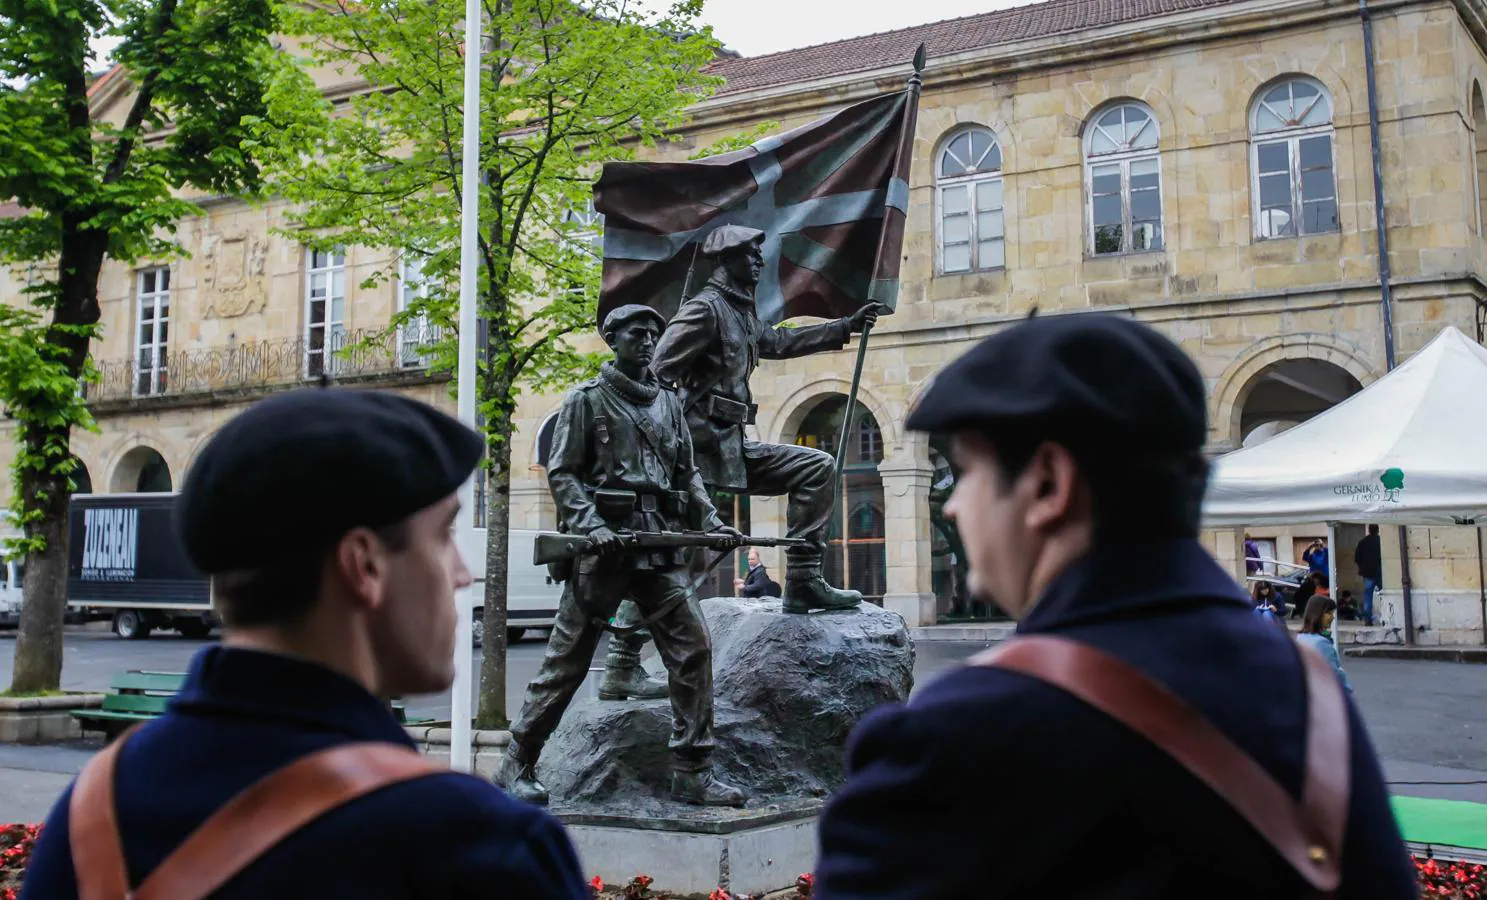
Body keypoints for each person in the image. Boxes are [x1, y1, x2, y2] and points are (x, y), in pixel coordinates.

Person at [813, 313, 1414, 899]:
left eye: (967, 473)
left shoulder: (958, 739)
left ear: (1049, 483)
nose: (951, 506)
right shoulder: (1309, 693)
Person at [20, 388, 590, 899]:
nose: (463, 573)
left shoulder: (93, 814)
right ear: (363, 565)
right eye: (443, 535)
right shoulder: (476, 846)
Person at [495, 304, 747, 808]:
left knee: (693, 648)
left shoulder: (669, 404)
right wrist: (592, 525)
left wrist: (712, 521)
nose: (649, 339)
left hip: (658, 544)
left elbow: (686, 474)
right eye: (637, 332)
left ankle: (692, 770)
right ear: (613, 339)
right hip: (605, 549)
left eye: (654, 332)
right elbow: (563, 473)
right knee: (566, 662)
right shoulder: (586, 401)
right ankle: (516, 761)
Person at [1299, 594, 1353, 695]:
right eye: (1328, 613)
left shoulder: (1299, 638)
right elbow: (1334, 674)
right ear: (1317, 614)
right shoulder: (1321, 643)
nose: (1332, 617)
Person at [1355, 524, 1382, 626]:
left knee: (1368, 597)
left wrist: (1363, 566)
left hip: (1367, 573)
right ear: (1378, 530)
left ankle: (1368, 620)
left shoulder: (1363, 542)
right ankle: (1387, 617)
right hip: (1380, 572)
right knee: (1384, 595)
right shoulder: (1381, 541)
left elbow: (1357, 557)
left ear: (1369, 530)